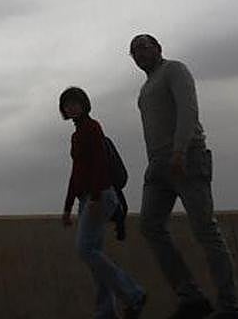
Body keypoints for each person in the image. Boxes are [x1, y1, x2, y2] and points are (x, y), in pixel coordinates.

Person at [129, 33, 238, 319]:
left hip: (186, 156)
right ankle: (191, 297)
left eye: (144, 47)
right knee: (150, 225)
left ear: (158, 48)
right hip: (158, 165)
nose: (139, 54)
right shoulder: (145, 90)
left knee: (205, 230)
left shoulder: (175, 70)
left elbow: (188, 110)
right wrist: (156, 162)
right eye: (133, 51)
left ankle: (230, 307)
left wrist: (180, 150)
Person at [60, 86, 147, 319]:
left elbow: (99, 163)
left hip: (99, 196)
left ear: (84, 104)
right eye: (67, 104)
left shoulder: (92, 128)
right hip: (87, 198)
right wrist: (68, 207)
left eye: (75, 102)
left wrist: (96, 197)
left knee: (85, 249)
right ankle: (106, 311)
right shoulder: (76, 135)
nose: (72, 107)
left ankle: (133, 293)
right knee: (95, 253)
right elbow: (76, 173)